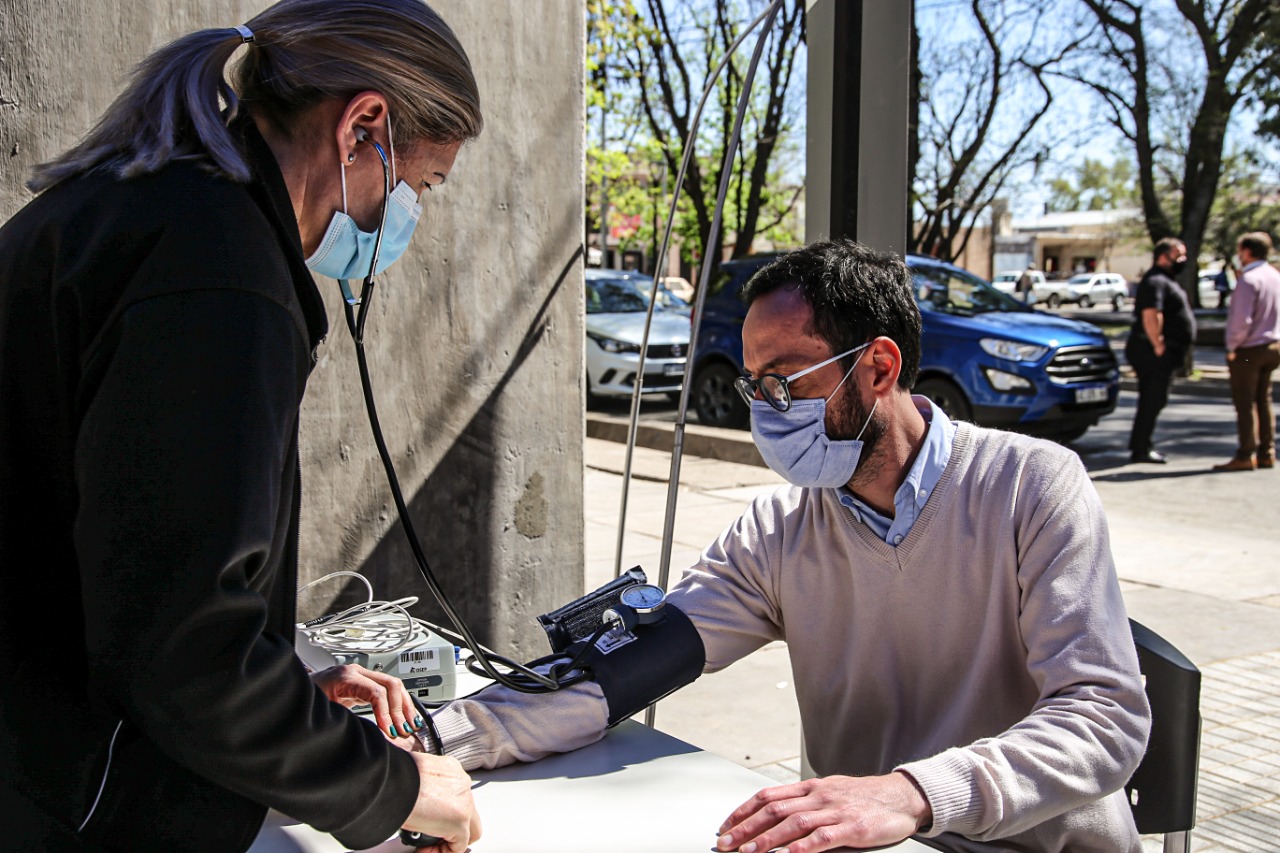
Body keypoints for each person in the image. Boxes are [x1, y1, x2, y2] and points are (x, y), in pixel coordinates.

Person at [417, 240, 1152, 852]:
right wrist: (430, 743)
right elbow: (627, 668)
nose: (767, 413)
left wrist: (910, 793)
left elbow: (1104, 717)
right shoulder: (779, 533)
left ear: (880, 367)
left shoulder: (1030, 486)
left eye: (784, 383)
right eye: (754, 387)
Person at [0, 2, 485, 850]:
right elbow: (183, 652)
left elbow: (127, 572)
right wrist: (393, 785)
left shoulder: (139, 208)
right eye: (422, 184)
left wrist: (287, 696)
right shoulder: (218, 273)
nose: (410, 211)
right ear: (363, 126)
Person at [1125, 237, 1196, 463]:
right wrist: (1158, 344)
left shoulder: (1166, 280)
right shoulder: (1155, 280)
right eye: (1178, 255)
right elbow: (1151, 314)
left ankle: (1142, 444)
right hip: (1152, 352)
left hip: (1158, 352)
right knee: (1152, 399)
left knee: (1154, 399)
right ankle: (1141, 448)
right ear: (1163, 257)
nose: (1183, 259)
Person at [1213, 232, 1280, 472]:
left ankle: (1246, 454)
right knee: (1263, 399)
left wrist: (1232, 347)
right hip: (1273, 345)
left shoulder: (1248, 280)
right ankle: (1266, 451)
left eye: (1240, 250)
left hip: (1250, 349)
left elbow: (1241, 321)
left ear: (1247, 251)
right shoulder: (1274, 276)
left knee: (1245, 402)